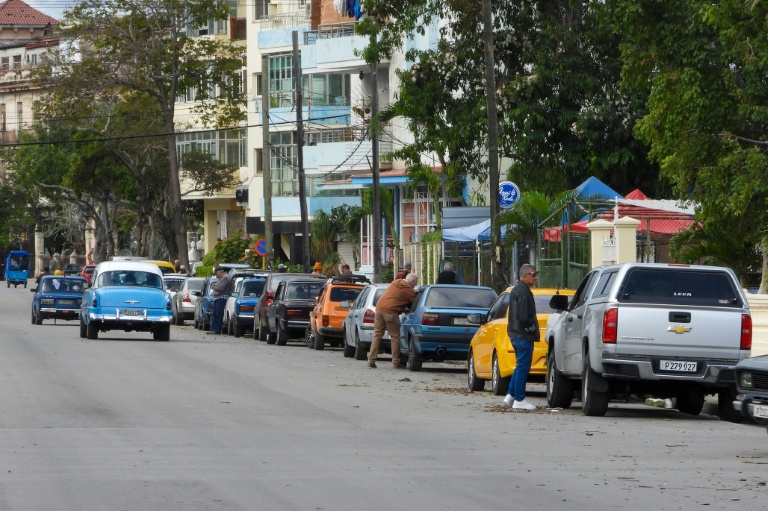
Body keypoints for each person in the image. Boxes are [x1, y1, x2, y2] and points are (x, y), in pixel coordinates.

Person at [504, 263, 539, 410]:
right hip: (523, 335)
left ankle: (510, 395)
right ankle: (519, 399)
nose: (535, 277)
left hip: (515, 333)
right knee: (523, 367)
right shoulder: (524, 292)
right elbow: (524, 315)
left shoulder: (517, 290)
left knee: (520, 366)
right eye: (533, 274)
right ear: (524, 276)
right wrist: (531, 327)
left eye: (536, 274)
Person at [368, 272, 418, 369]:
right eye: (415, 283)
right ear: (412, 281)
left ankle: (371, 360)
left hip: (379, 309)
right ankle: (395, 362)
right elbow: (414, 304)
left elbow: (395, 298)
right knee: (395, 337)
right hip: (391, 312)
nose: (414, 286)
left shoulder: (395, 282)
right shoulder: (409, 290)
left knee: (377, 335)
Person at [208, 266, 232, 335]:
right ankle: (213, 329)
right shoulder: (222, 278)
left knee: (218, 314)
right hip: (218, 298)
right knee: (215, 314)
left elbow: (221, 288)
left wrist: (213, 286)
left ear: (220, 272)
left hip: (221, 298)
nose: (216, 275)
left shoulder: (225, 278)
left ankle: (217, 330)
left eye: (216, 273)